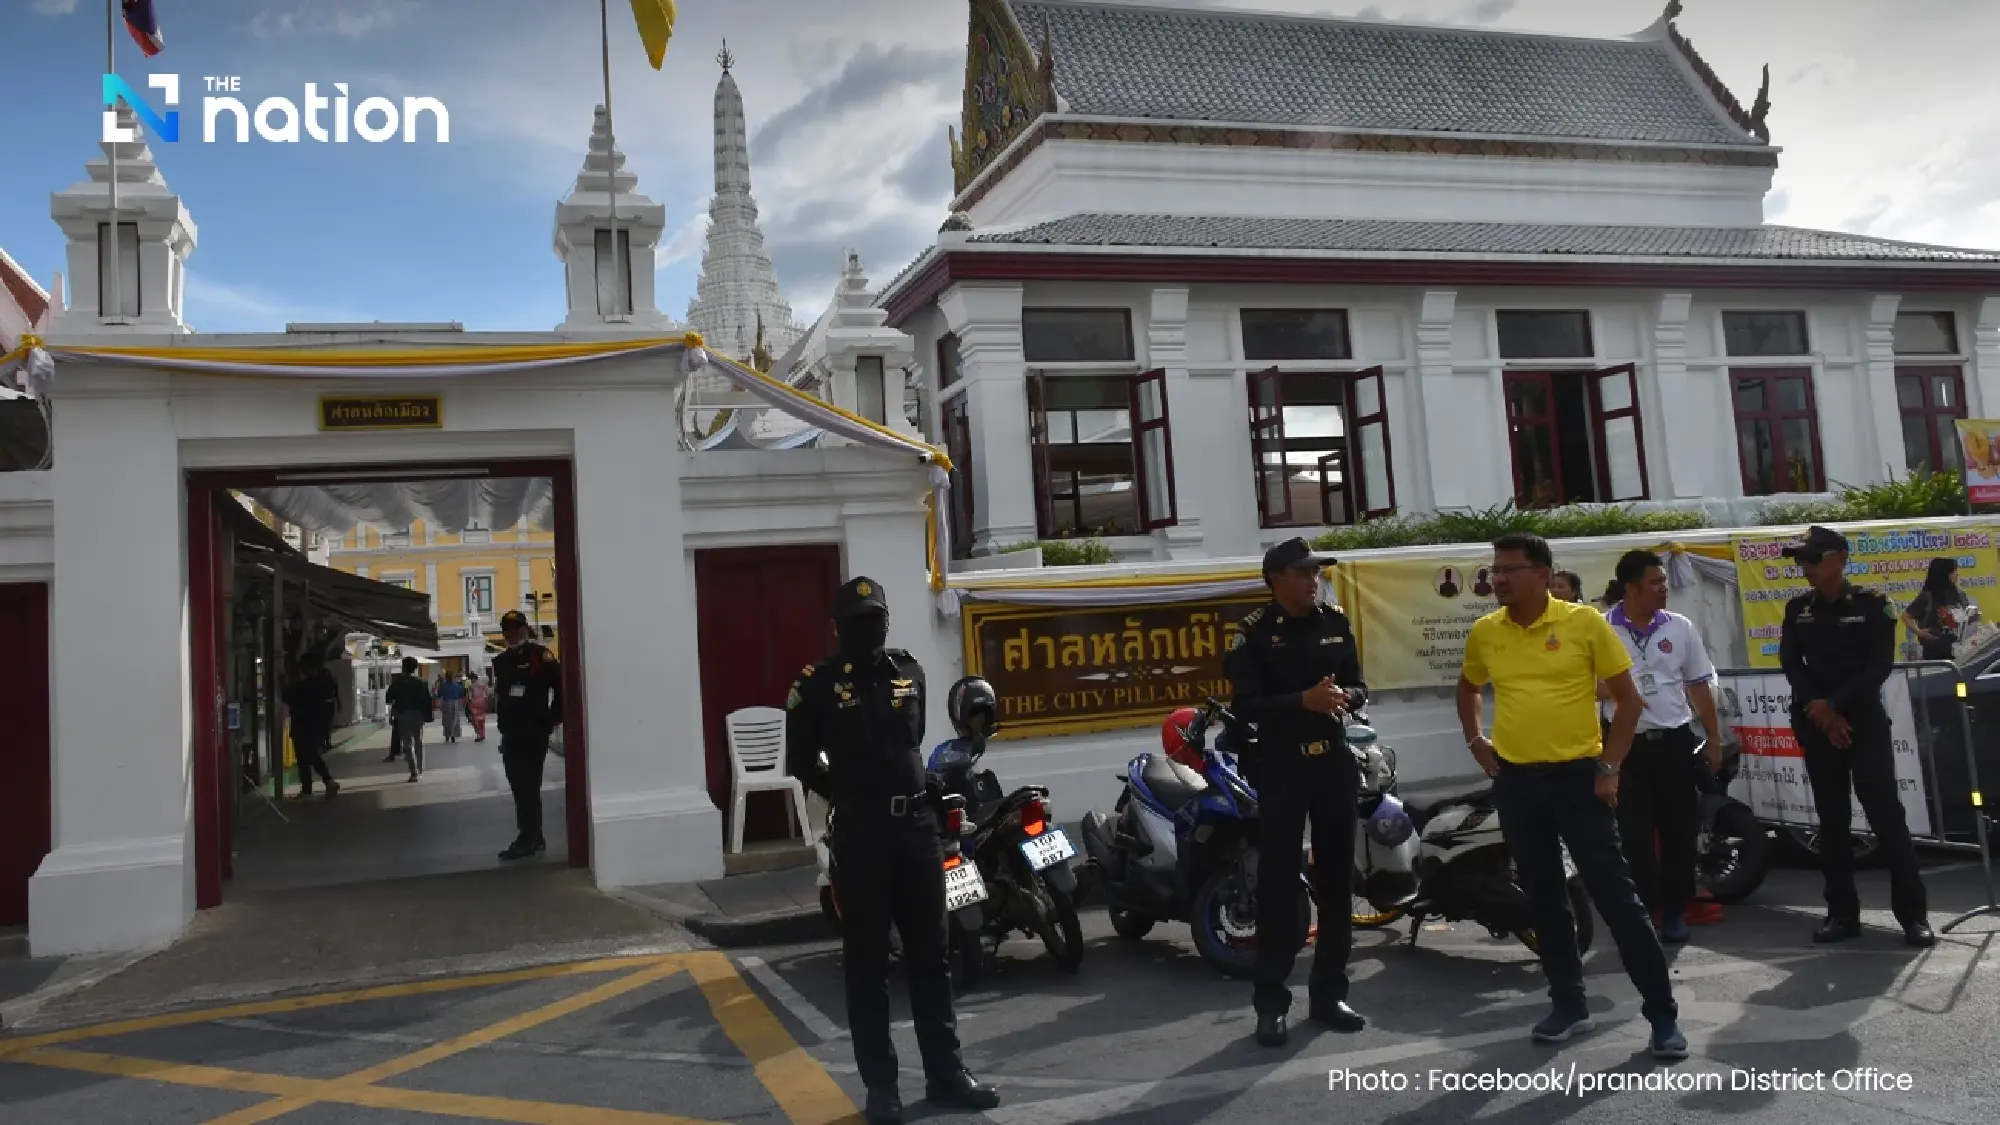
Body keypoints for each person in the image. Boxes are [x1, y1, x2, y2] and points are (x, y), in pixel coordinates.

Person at [1457, 532, 1686, 1059]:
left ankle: (1662, 1016)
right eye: (1495, 570)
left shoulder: (1583, 624)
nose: (1499, 579)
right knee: (1543, 898)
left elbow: (1628, 702)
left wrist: (1610, 767)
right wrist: (1476, 739)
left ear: (1542, 573)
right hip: (1517, 782)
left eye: (1510, 569)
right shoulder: (1486, 632)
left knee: (1616, 899)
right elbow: (1469, 686)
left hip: (1579, 780)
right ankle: (1568, 1004)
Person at [784, 576, 997, 1125]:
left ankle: (946, 1072)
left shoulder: (910, 672)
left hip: (917, 832)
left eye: (877, 621)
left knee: (932, 957)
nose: (870, 631)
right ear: (837, 629)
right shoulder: (816, 686)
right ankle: (882, 1087)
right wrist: (850, 797)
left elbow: (913, 740)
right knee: (868, 965)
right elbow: (802, 761)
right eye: (859, 624)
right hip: (862, 835)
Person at [1224, 536, 1367, 1047]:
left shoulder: (1335, 621)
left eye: (1317, 572)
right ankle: (1271, 1003)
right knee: (1281, 887)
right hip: (1282, 766)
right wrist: (1301, 701)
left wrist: (1343, 697)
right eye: (1304, 573)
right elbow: (1246, 706)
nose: (1313, 580)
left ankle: (1329, 994)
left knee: (1335, 884)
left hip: (1333, 762)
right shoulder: (1254, 635)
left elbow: (1358, 686)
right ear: (1277, 578)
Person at [1779, 526, 1934, 946]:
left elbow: (1878, 666)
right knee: (1832, 822)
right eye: (1801, 561)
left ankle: (1914, 917)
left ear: (1839, 559)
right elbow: (1792, 664)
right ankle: (1842, 914)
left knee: (1886, 817)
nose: (1804, 568)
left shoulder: (1873, 605)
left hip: (1861, 721)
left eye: (1811, 559)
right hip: (1816, 721)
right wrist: (1822, 710)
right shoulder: (1798, 609)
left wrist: (1837, 706)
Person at [1600, 550, 1722, 944]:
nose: (1664, 589)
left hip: (1674, 742)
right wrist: (1619, 691)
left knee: (1679, 832)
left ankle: (1674, 910)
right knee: (1633, 837)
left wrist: (1714, 737)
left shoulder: (1679, 627)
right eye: (1656, 582)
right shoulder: (1601, 629)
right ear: (1631, 588)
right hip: (1625, 746)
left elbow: (1698, 683)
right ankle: (1647, 907)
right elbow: (1582, 685)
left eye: (1664, 581)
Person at [492, 609, 562, 861]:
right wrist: (502, 727)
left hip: (534, 730)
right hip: (511, 732)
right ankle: (534, 835)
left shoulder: (540, 656)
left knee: (528, 786)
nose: (512, 633)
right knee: (518, 786)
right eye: (507, 629)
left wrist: (552, 718)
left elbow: (561, 686)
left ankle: (528, 837)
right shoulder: (500, 662)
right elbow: (502, 697)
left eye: (517, 628)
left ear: (526, 629)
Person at [285, 651, 341, 800]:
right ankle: (325, 782)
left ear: (308, 666)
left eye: (302, 665)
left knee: (304, 759)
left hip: (301, 724)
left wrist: (283, 682)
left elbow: (287, 698)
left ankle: (310, 789)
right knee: (312, 755)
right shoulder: (324, 683)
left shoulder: (303, 686)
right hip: (317, 725)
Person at [1901, 557, 1970, 662]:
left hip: (1960, 653)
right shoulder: (1927, 596)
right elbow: (1906, 616)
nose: (1957, 574)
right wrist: (1919, 632)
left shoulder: (1960, 594)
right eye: (1953, 571)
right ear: (1943, 574)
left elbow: (1968, 617)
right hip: (1934, 657)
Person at [384, 657, 433, 783]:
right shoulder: (422, 682)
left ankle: (414, 772)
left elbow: (388, 699)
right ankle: (420, 770)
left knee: (408, 744)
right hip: (418, 715)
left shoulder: (399, 683)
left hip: (403, 715)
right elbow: (428, 701)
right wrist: (428, 716)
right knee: (418, 742)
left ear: (403, 667)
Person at [439, 671, 465, 743]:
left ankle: (447, 735)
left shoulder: (443, 685)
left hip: (446, 702)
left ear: (446, 677)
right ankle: (453, 735)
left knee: (447, 719)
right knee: (455, 719)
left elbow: (439, 694)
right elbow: (460, 694)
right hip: (455, 702)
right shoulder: (456, 685)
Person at [466, 670, 489, 743]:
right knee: (482, 719)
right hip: (482, 702)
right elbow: (486, 695)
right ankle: (482, 734)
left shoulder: (471, 686)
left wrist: (468, 704)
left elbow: (469, 697)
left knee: (475, 720)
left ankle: (478, 735)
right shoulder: (482, 685)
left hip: (474, 703)